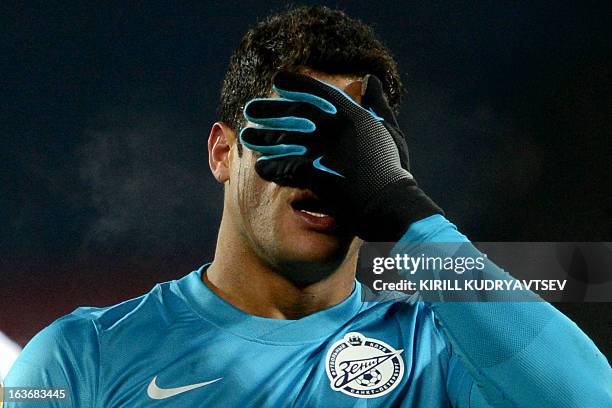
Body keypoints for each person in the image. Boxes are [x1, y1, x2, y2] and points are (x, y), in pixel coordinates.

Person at [4, 6, 611, 407]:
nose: (325, 169)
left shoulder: (446, 349)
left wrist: (404, 211)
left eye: (352, 146)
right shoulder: (80, 358)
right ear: (223, 152)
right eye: (294, 133)